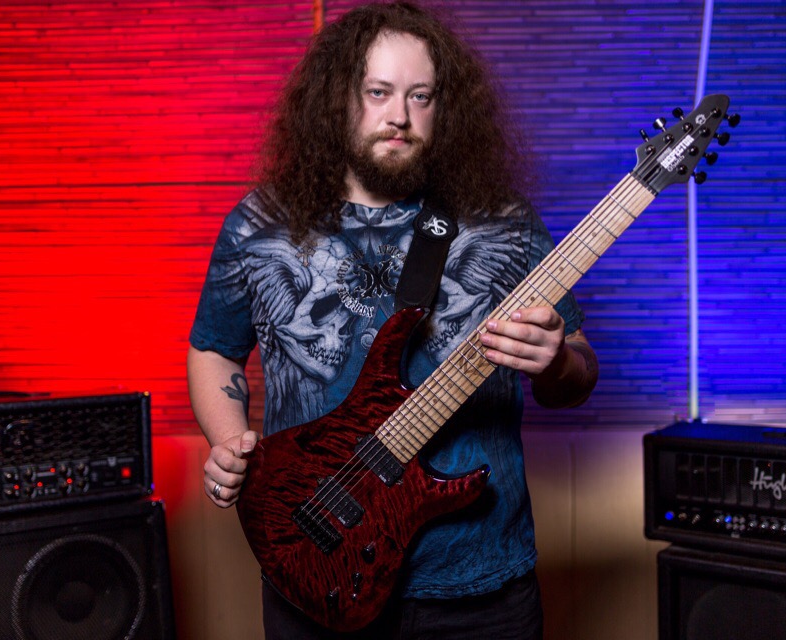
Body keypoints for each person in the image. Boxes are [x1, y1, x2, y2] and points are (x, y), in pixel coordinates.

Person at [187, 2, 598, 638]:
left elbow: (576, 370)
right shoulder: (259, 224)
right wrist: (228, 441)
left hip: (480, 584)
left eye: (420, 96)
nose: (399, 116)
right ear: (336, 100)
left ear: (444, 108)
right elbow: (215, 349)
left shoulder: (504, 222)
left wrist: (558, 361)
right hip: (316, 564)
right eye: (377, 92)